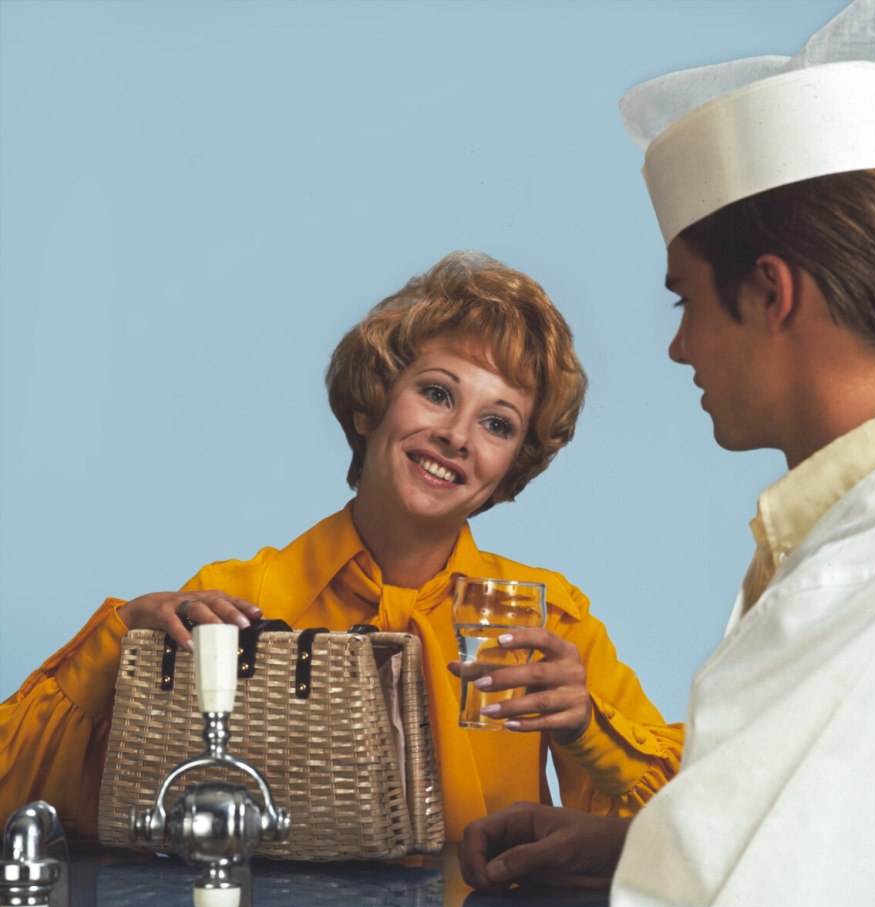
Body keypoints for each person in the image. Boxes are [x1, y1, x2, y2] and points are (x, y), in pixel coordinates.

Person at [459, 0, 875, 907]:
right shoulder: (857, 540)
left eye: (685, 301)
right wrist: (635, 848)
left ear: (771, 292)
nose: (679, 349)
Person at [0, 250, 683, 843]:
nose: (456, 436)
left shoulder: (546, 623)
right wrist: (120, 639)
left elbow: (687, 834)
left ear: (511, 471)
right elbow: (20, 797)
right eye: (437, 393)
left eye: (497, 424)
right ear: (369, 405)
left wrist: (588, 731)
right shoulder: (233, 603)